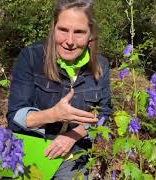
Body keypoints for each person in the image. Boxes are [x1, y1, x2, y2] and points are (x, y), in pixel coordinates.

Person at [7, 0, 112, 179]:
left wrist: (72, 135)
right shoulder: (32, 57)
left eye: (79, 32)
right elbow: (15, 117)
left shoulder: (101, 66)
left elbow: (103, 114)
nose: (69, 41)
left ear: (90, 35)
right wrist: (54, 115)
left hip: (75, 156)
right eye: (63, 30)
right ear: (54, 28)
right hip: (29, 150)